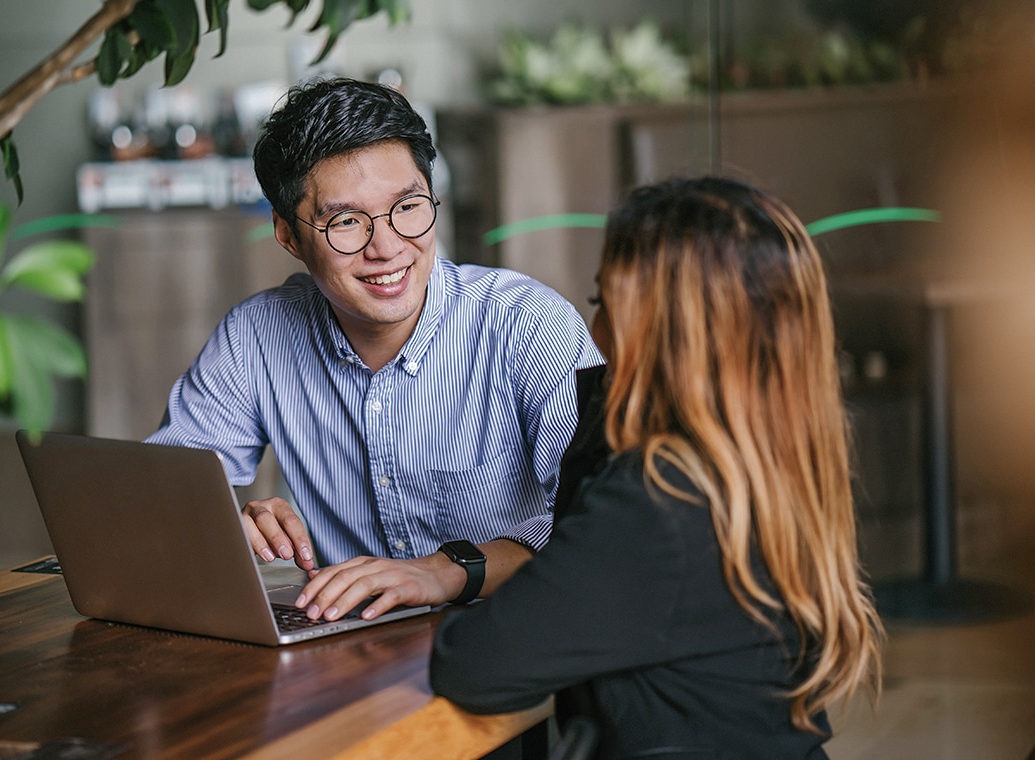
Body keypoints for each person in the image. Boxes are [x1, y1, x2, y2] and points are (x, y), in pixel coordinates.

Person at [429, 176, 884, 759]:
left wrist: (605, 403)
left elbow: (472, 665)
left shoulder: (660, 501)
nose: (592, 336)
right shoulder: (763, 472)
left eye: (605, 307)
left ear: (661, 335)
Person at [146, 77, 602, 623]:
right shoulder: (256, 337)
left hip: (512, 639)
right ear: (288, 235)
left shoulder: (527, 326)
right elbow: (159, 490)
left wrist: (443, 571)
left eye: (408, 206)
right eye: (345, 221)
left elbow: (597, 528)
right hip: (350, 654)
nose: (386, 249)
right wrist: (217, 519)